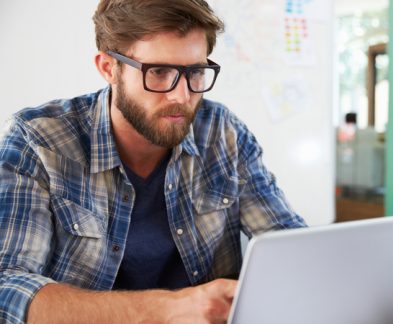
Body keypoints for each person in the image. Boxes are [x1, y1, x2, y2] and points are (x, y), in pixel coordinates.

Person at [0, 0, 306, 323]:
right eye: (159, 73)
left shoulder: (223, 134)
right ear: (108, 68)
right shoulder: (38, 141)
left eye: (196, 73)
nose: (181, 97)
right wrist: (171, 309)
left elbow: (291, 249)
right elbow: (7, 289)